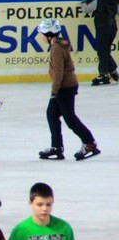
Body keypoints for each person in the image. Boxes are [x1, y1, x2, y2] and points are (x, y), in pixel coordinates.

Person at [36, 18, 100, 161]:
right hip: (64, 86)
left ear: (48, 34)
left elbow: (59, 72)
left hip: (64, 87)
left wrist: (54, 92)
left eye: (41, 33)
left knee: (70, 118)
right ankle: (56, 147)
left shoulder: (56, 48)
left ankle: (89, 143)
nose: (40, 37)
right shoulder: (57, 45)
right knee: (52, 113)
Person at [81, 0, 119, 85]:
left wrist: (84, 1)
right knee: (105, 50)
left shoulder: (99, 0)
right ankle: (112, 70)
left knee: (102, 51)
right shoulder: (116, 2)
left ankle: (104, 74)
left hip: (103, 28)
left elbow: (86, 9)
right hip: (113, 29)